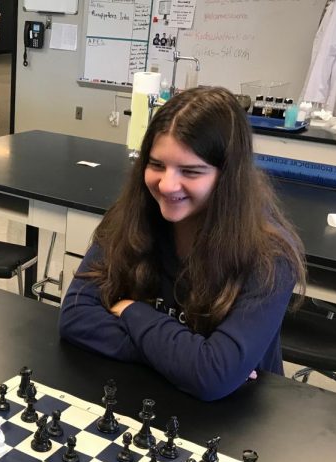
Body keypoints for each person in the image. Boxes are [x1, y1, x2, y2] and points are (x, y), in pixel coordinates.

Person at [59, 86, 306, 401]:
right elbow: (76, 317)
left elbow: (214, 375)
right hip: (149, 401)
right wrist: (185, 358)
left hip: (237, 423)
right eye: (157, 165)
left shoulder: (270, 256)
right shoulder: (129, 218)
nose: (167, 184)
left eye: (190, 171)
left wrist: (133, 312)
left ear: (228, 176)